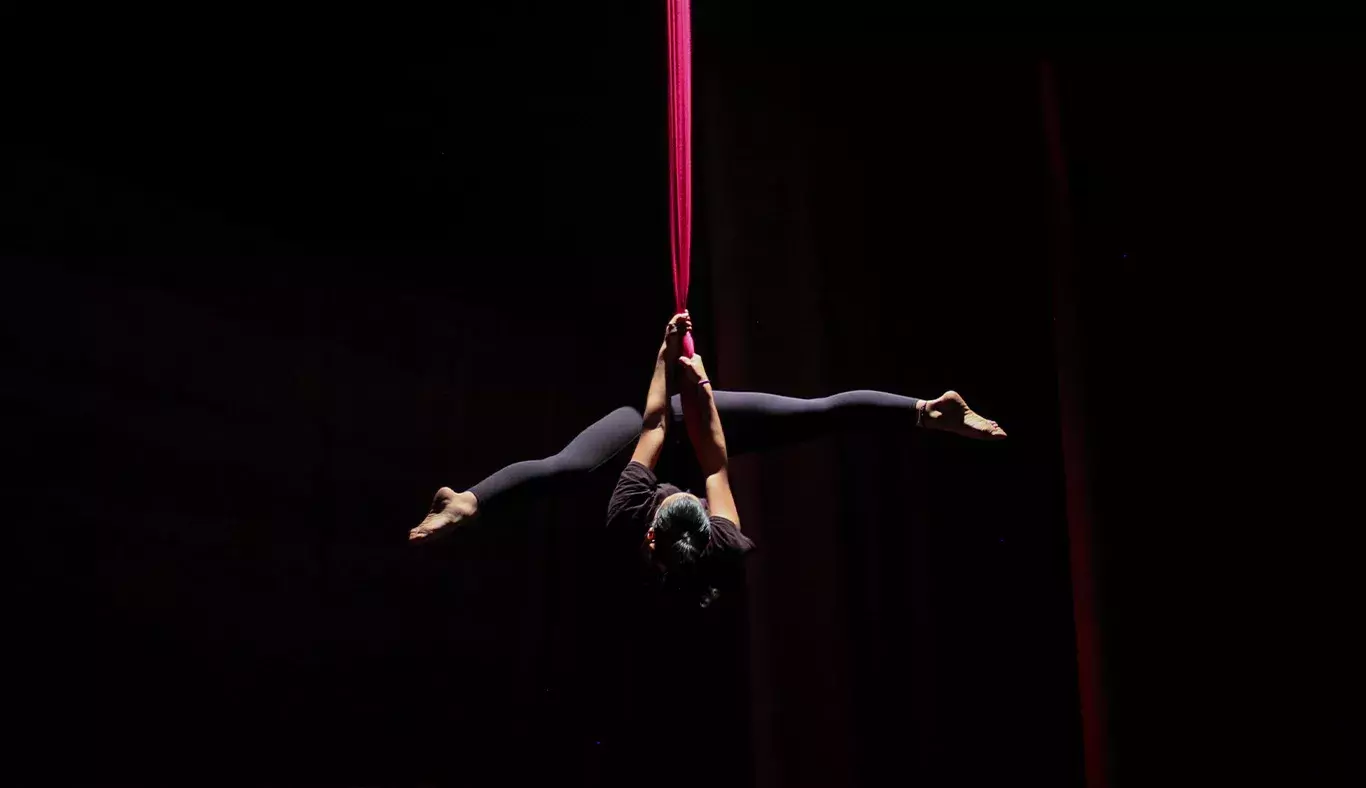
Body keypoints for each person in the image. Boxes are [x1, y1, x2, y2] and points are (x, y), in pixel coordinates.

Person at [410, 312, 1005, 596]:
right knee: (810, 416)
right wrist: (697, 391)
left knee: (570, 470)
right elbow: (714, 460)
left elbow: (653, 426)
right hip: (685, 435)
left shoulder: (627, 507)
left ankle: (469, 501)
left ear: (651, 532)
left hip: (648, 433)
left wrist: (671, 366)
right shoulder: (721, 543)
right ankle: (925, 411)